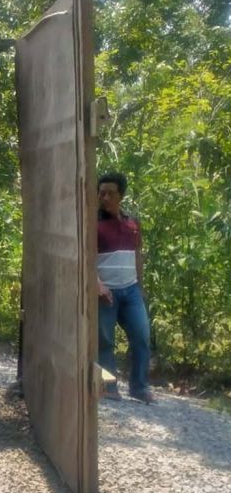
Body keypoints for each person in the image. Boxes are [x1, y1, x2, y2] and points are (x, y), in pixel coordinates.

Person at [97, 171, 154, 404]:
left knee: (141, 337)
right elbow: (84, 258)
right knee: (104, 341)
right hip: (105, 293)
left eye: (110, 193)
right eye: (101, 193)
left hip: (131, 291)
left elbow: (137, 255)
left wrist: (140, 286)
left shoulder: (133, 223)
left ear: (121, 195)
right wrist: (98, 285)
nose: (105, 197)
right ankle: (107, 386)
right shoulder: (93, 224)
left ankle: (139, 387)